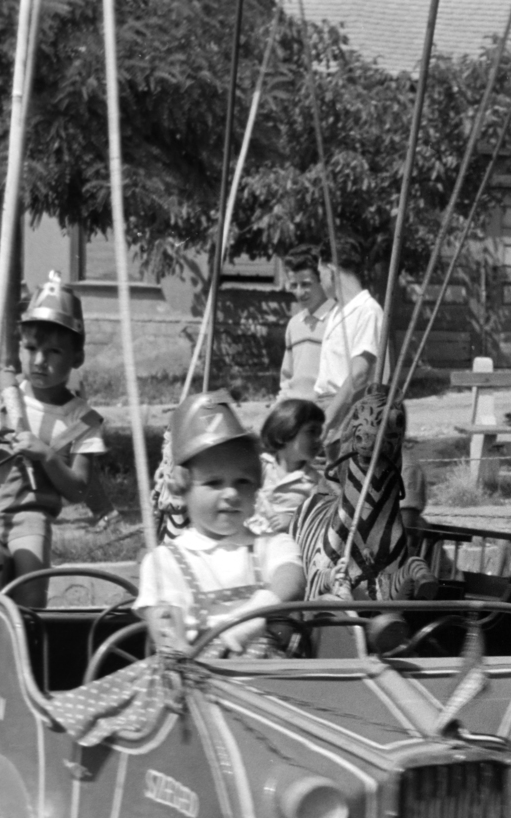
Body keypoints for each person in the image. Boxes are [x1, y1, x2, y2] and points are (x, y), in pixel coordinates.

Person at [134, 391, 304, 655]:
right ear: (183, 486)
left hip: (270, 673)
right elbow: (165, 623)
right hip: (201, 674)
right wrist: (172, 639)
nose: (232, 494)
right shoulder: (166, 561)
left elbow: (291, 575)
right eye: (214, 483)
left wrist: (254, 612)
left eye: (243, 482)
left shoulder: (266, 544)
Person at [0, 271, 106, 608]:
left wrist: (47, 455)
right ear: (19, 347)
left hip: (29, 518)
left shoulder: (81, 420)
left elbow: (78, 490)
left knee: (30, 591)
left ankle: (27, 647)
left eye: (53, 352)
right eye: (31, 348)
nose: (39, 361)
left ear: (76, 357)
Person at [315, 231, 385, 446]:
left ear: (331, 270)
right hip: (328, 406)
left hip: (348, 411)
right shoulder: (337, 310)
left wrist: (328, 419)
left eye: (320, 274)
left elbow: (359, 373)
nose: (320, 281)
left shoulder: (367, 310)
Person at [250, 397, 325, 534]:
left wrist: (293, 522)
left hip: (288, 544)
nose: (318, 440)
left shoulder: (314, 482)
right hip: (254, 538)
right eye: (311, 432)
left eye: (319, 433)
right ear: (284, 432)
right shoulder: (261, 466)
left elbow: (320, 519)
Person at [277, 245, 333, 401]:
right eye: (294, 285)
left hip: (325, 411)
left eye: (306, 284)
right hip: (295, 411)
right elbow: (287, 377)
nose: (299, 292)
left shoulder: (339, 320)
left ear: (321, 279)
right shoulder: (294, 325)